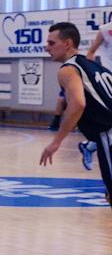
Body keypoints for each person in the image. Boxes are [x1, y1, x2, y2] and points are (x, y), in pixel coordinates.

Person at [39, 22, 112, 211]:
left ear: (67, 44)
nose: (46, 47)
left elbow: (78, 104)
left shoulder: (68, 69)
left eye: (51, 43)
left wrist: (56, 141)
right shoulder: (96, 67)